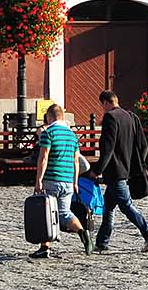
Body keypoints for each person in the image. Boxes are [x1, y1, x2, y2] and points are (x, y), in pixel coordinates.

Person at [89, 89, 148, 254]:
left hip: (116, 171)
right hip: (128, 169)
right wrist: (138, 165)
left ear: (105, 103)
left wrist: (98, 170)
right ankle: (102, 241)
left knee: (126, 206)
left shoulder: (110, 118)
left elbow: (108, 148)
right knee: (108, 206)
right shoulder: (131, 117)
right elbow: (143, 146)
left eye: (102, 105)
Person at [30, 104, 90, 259]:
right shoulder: (72, 135)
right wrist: (75, 182)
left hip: (52, 179)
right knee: (64, 213)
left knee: (45, 213)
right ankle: (83, 232)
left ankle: (44, 247)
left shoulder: (48, 133)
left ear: (49, 117)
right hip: (68, 181)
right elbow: (76, 161)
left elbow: (43, 158)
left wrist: (39, 180)